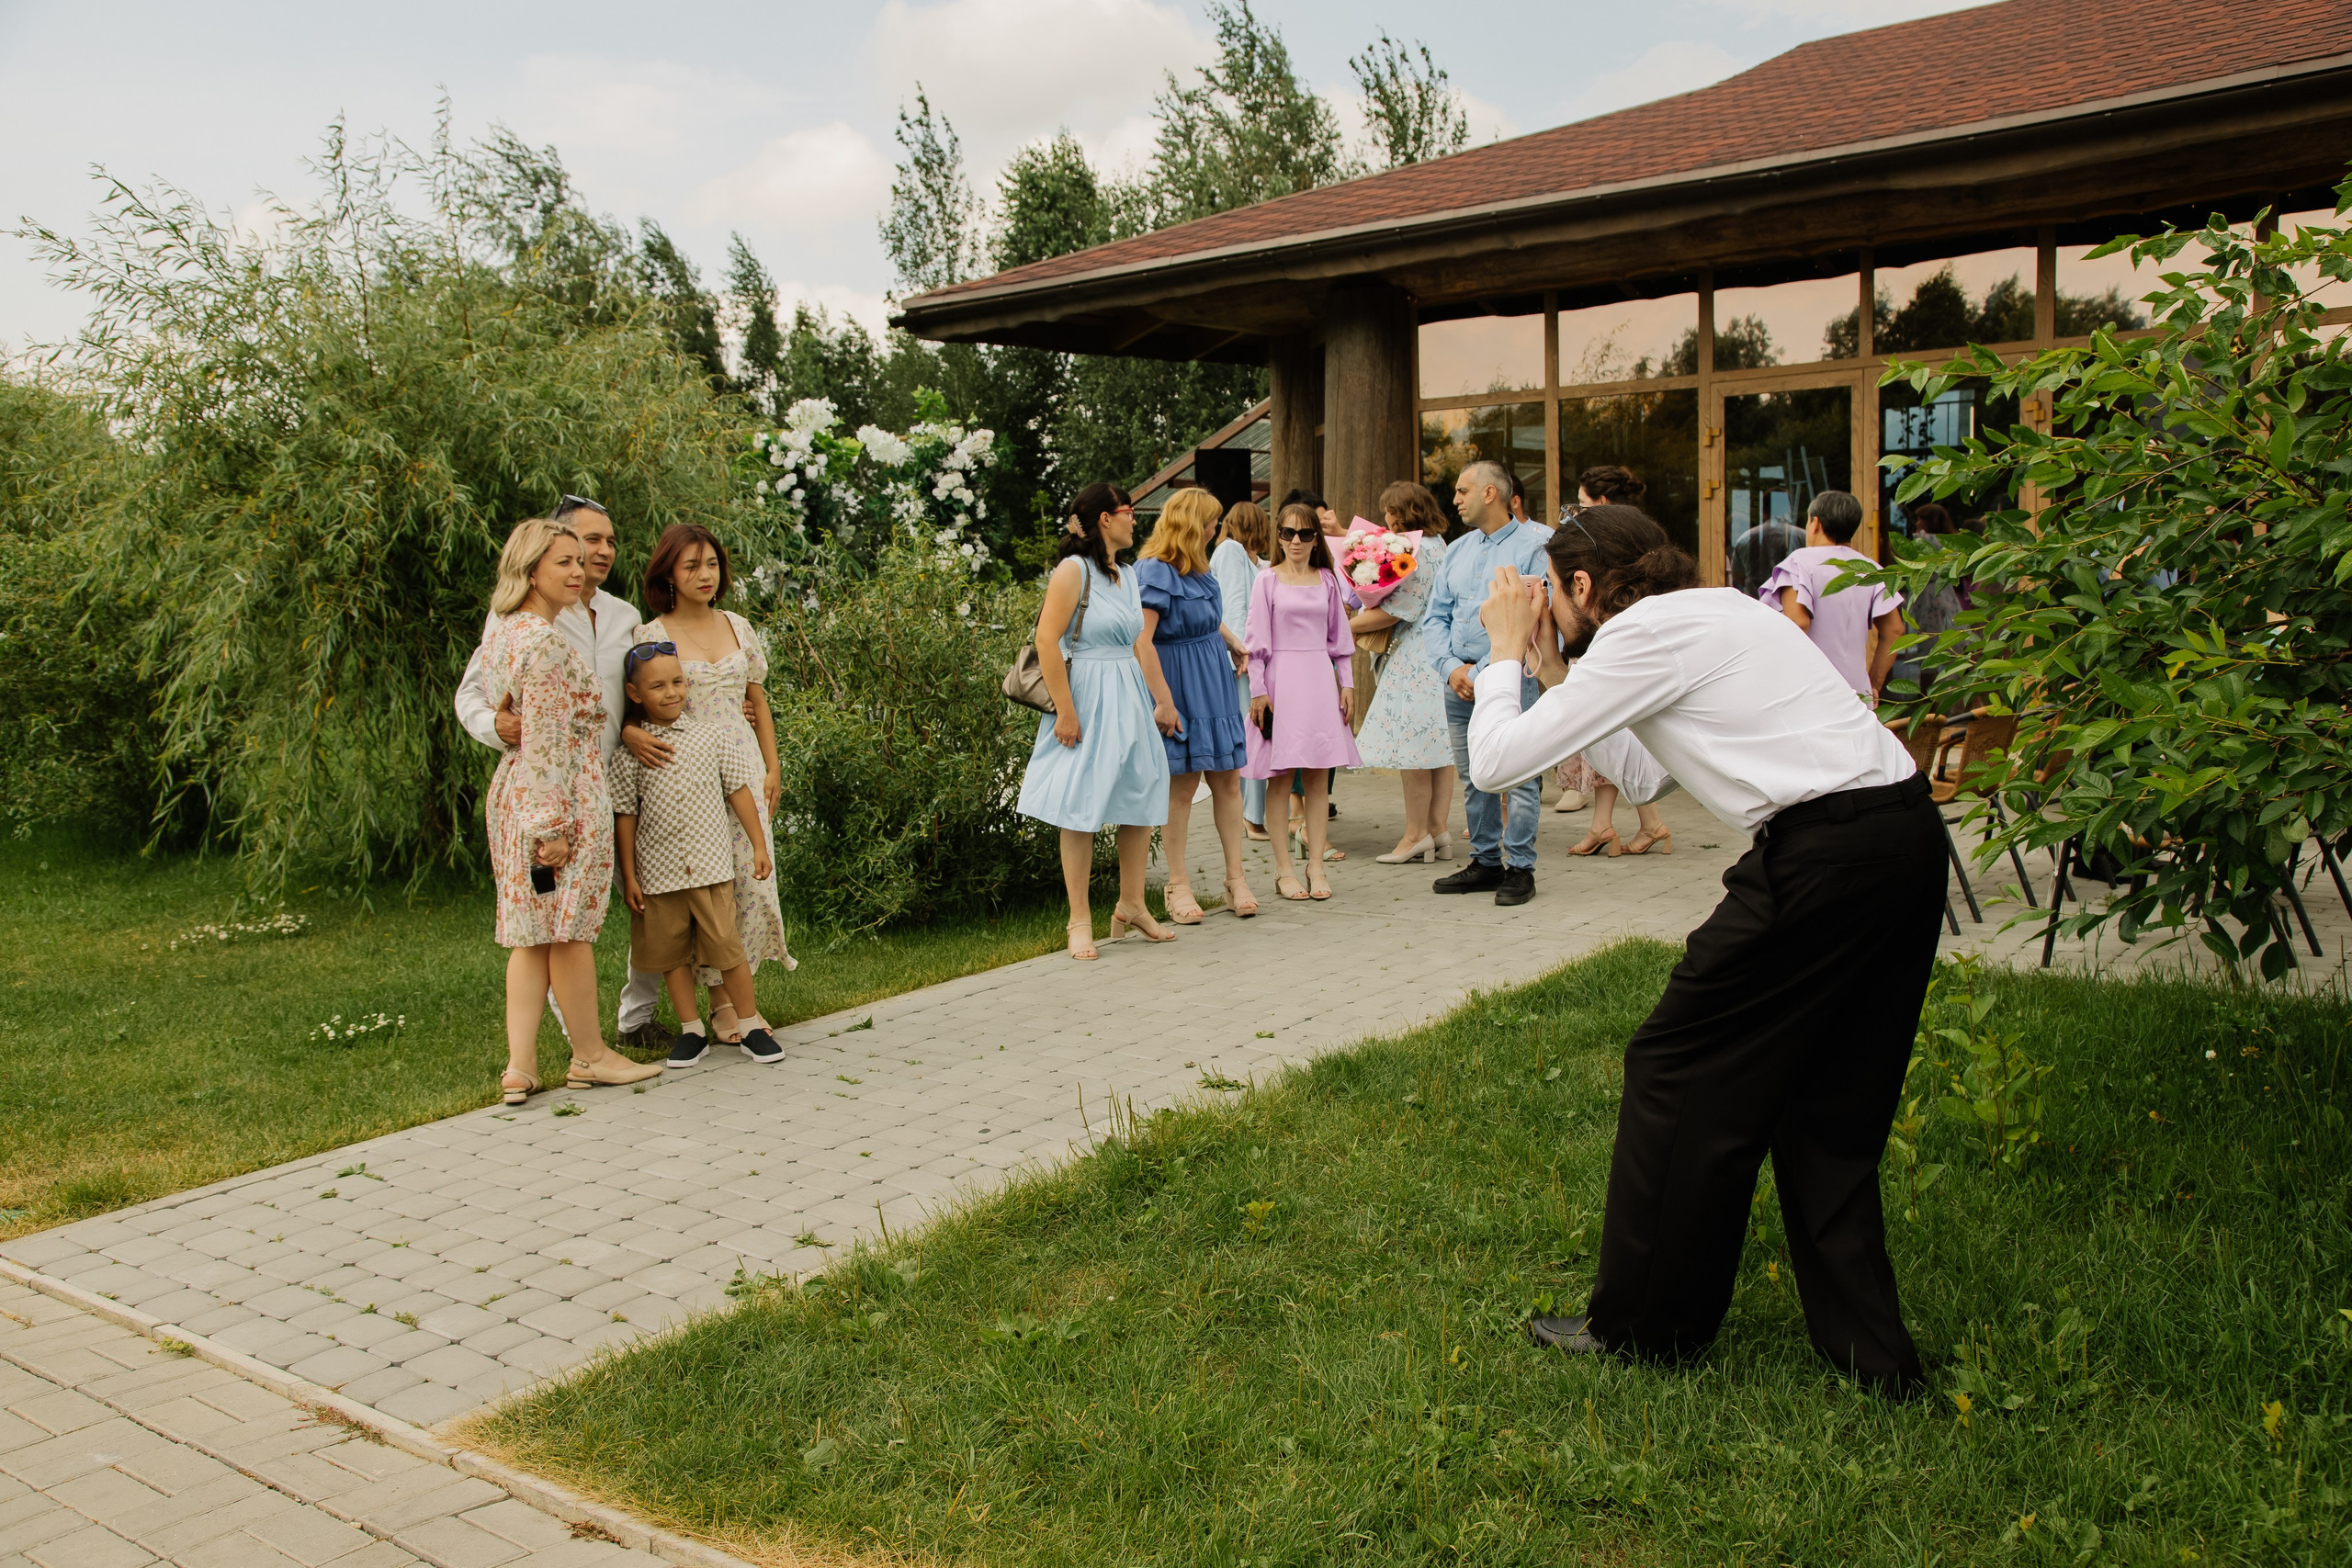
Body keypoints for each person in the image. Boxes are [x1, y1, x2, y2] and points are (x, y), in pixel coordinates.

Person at [1464, 503, 1942, 1396]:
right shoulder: (1715, 610)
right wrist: (1547, 666)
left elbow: (1493, 763)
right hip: (1902, 835)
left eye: (1548, 593)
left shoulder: (1642, 634)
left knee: (1674, 1068)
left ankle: (1645, 1327)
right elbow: (1643, 775)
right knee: (1824, 1110)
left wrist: (1498, 655)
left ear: (1579, 587)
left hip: (1822, 854)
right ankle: (1874, 1362)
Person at [455, 495, 671, 1052]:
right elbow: (479, 696)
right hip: (555, 792)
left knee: (637, 903)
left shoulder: (623, 616)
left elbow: (637, 688)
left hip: (613, 781)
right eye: (580, 547)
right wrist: (498, 727)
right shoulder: (532, 627)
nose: (595, 556)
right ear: (541, 559)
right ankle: (585, 1048)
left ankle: (622, 1021)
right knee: (564, 927)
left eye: (605, 544)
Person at [629, 526, 795, 1043]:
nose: (705, 576)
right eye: (691, 566)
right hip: (685, 775)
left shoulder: (738, 626)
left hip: (743, 764)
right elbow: (636, 703)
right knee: (702, 884)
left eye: (712, 565)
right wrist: (633, 734)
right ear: (669, 575)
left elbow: (758, 702)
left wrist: (773, 767)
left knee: (749, 880)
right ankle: (715, 1005)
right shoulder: (650, 632)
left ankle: (732, 999)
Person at [1017, 482, 1180, 960]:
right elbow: (1047, 641)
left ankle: (1131, 904)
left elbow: (1138, 644)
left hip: (1127, 691)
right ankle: (1079, 920)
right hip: (1086, 692)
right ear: (1105, 519)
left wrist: (1163, 700)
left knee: (1141, 792)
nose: (1136, 519)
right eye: (1129, 511)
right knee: (1082, 804)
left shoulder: (1127, 575)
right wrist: (1066, 711)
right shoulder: (1073, 571)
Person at [609, 644, 783, 1066]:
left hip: (710, 869)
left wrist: (759, 845)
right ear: (634, 693)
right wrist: (630, 876)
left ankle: (749, 1024)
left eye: (677, 682)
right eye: (658, 686)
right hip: (659, 874)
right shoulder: (632, 754)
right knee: (671, 957)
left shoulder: (712, 737)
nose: (671, 693)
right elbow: (625, 816)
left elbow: (739, 792)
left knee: (727, 947)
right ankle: (691, 1031)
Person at [1422, 458, 1552, 906]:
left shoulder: (1538, 545)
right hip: (1457, 682)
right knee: (1474, 774)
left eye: (1462, 491)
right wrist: (1451, 670)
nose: (1454, 499)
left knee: (1519, 774)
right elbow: (1435, 617)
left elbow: (1536, 615)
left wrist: (1480, 673)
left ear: (1490, 493)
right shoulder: (1456, 550)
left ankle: (1520, 867)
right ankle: (1485, 861)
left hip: (1514, 678)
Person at [1136, 488, 1257, 921]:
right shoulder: (1152, 570)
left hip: (1214, 680)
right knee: (1182, 786)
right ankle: (1177, 885)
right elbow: (1142, 640)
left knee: (1228, 781)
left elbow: (1206, 614)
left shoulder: (1202, 568)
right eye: (1211, 521)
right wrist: (1164, 701)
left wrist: (1231, 641)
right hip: (1178, 683)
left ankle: (1235, 879)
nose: (1216, 528)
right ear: (1190, 524)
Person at [1244, 503, 1361, 902]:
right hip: (1279, 682)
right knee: (1278, 780)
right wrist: (1259, 692)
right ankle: (1282, 869)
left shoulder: (1328, 580)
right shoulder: (1266, 581)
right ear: (1278, 536)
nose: (1296, 540)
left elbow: (1340, 642)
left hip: (1318, 681)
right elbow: (1255, 646)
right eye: (1288, 533)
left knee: (1317, 780)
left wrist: (1347, 684)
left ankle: (1316, 865)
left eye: (1305, 534)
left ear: (1316, 540)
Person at [1351, 480, 1457, 864]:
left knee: (1414, 748)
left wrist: (1348, 626)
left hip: (1416, 654)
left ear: (1403, 512)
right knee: (1438, 746)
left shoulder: (1416, 551)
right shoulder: (1442, 546)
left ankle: (1415, 835)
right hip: (1440, 650)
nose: (1385, 518)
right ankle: (1437, 829)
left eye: (1389, 511)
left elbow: (1404, 609)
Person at [1555, 466, 1647, 815]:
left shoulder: (1600, 544)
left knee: (1604, 726)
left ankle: (1609, 821)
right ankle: (1612, 822)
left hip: (1601, 636)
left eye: (1580, 503)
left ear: (1602, 502)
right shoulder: (1636, 534)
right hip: (1611, 637)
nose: (1574, 512)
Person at [1759, 489, 1906, 700]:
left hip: (1811, 692)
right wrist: (1873, 683)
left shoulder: (1799, 562)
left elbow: (1798, 624)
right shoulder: (1870, 568)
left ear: (1815, 523)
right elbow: (1894, 630)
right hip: (1858, 693)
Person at [1210, 501, 1272, 840]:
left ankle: (1254, 811)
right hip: (1243, 659)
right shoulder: (1231, 550)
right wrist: (1241, 654)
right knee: (1252, 731)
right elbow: (1233, 603)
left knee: (1258, 731)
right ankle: (1250, 816)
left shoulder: (1257, 562)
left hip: (1257, 658)